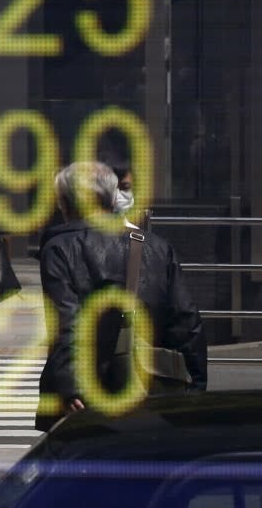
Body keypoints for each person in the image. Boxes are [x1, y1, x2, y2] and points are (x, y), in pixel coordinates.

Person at [35, 161, 208, 432]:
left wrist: (69, 387)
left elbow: (65, 322)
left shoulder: (60, 248)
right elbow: (186, 320)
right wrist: (196, 389)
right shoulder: (155, 247)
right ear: (111, 197)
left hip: (86, 393)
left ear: (66, 203)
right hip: (150, 386)